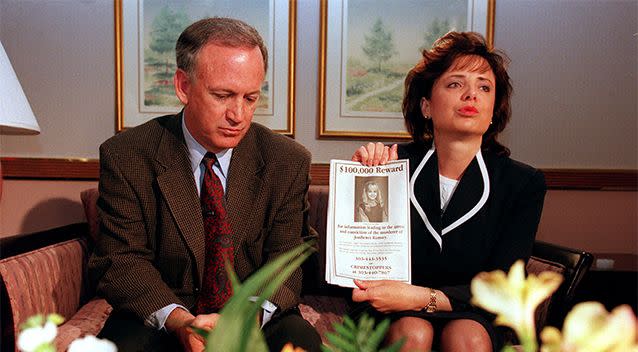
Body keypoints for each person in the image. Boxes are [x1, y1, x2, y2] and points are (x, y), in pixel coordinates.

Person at [88, 17, 321, 352]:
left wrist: (245, 319)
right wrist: (182, 321)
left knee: (303, 344)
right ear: (183, 86)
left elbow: (288, 259)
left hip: (255, 312)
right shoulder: (128, 156)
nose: (238, 115)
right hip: (164, 315)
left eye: (251, 98)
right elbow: (121, 259)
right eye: (223, 95)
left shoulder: (286, 161)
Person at [350, 32, 546, 352]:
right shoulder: (390, 163)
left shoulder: (522, 183)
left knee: (466, 336)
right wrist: (363, 177)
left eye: (484, 87)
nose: (471, 95)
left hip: (472, 313)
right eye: (455, 84)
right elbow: (364, 258)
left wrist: (421, 296)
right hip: (393, 307)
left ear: (494, 109)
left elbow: (501, 285)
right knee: (412, 332)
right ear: (426, 106)